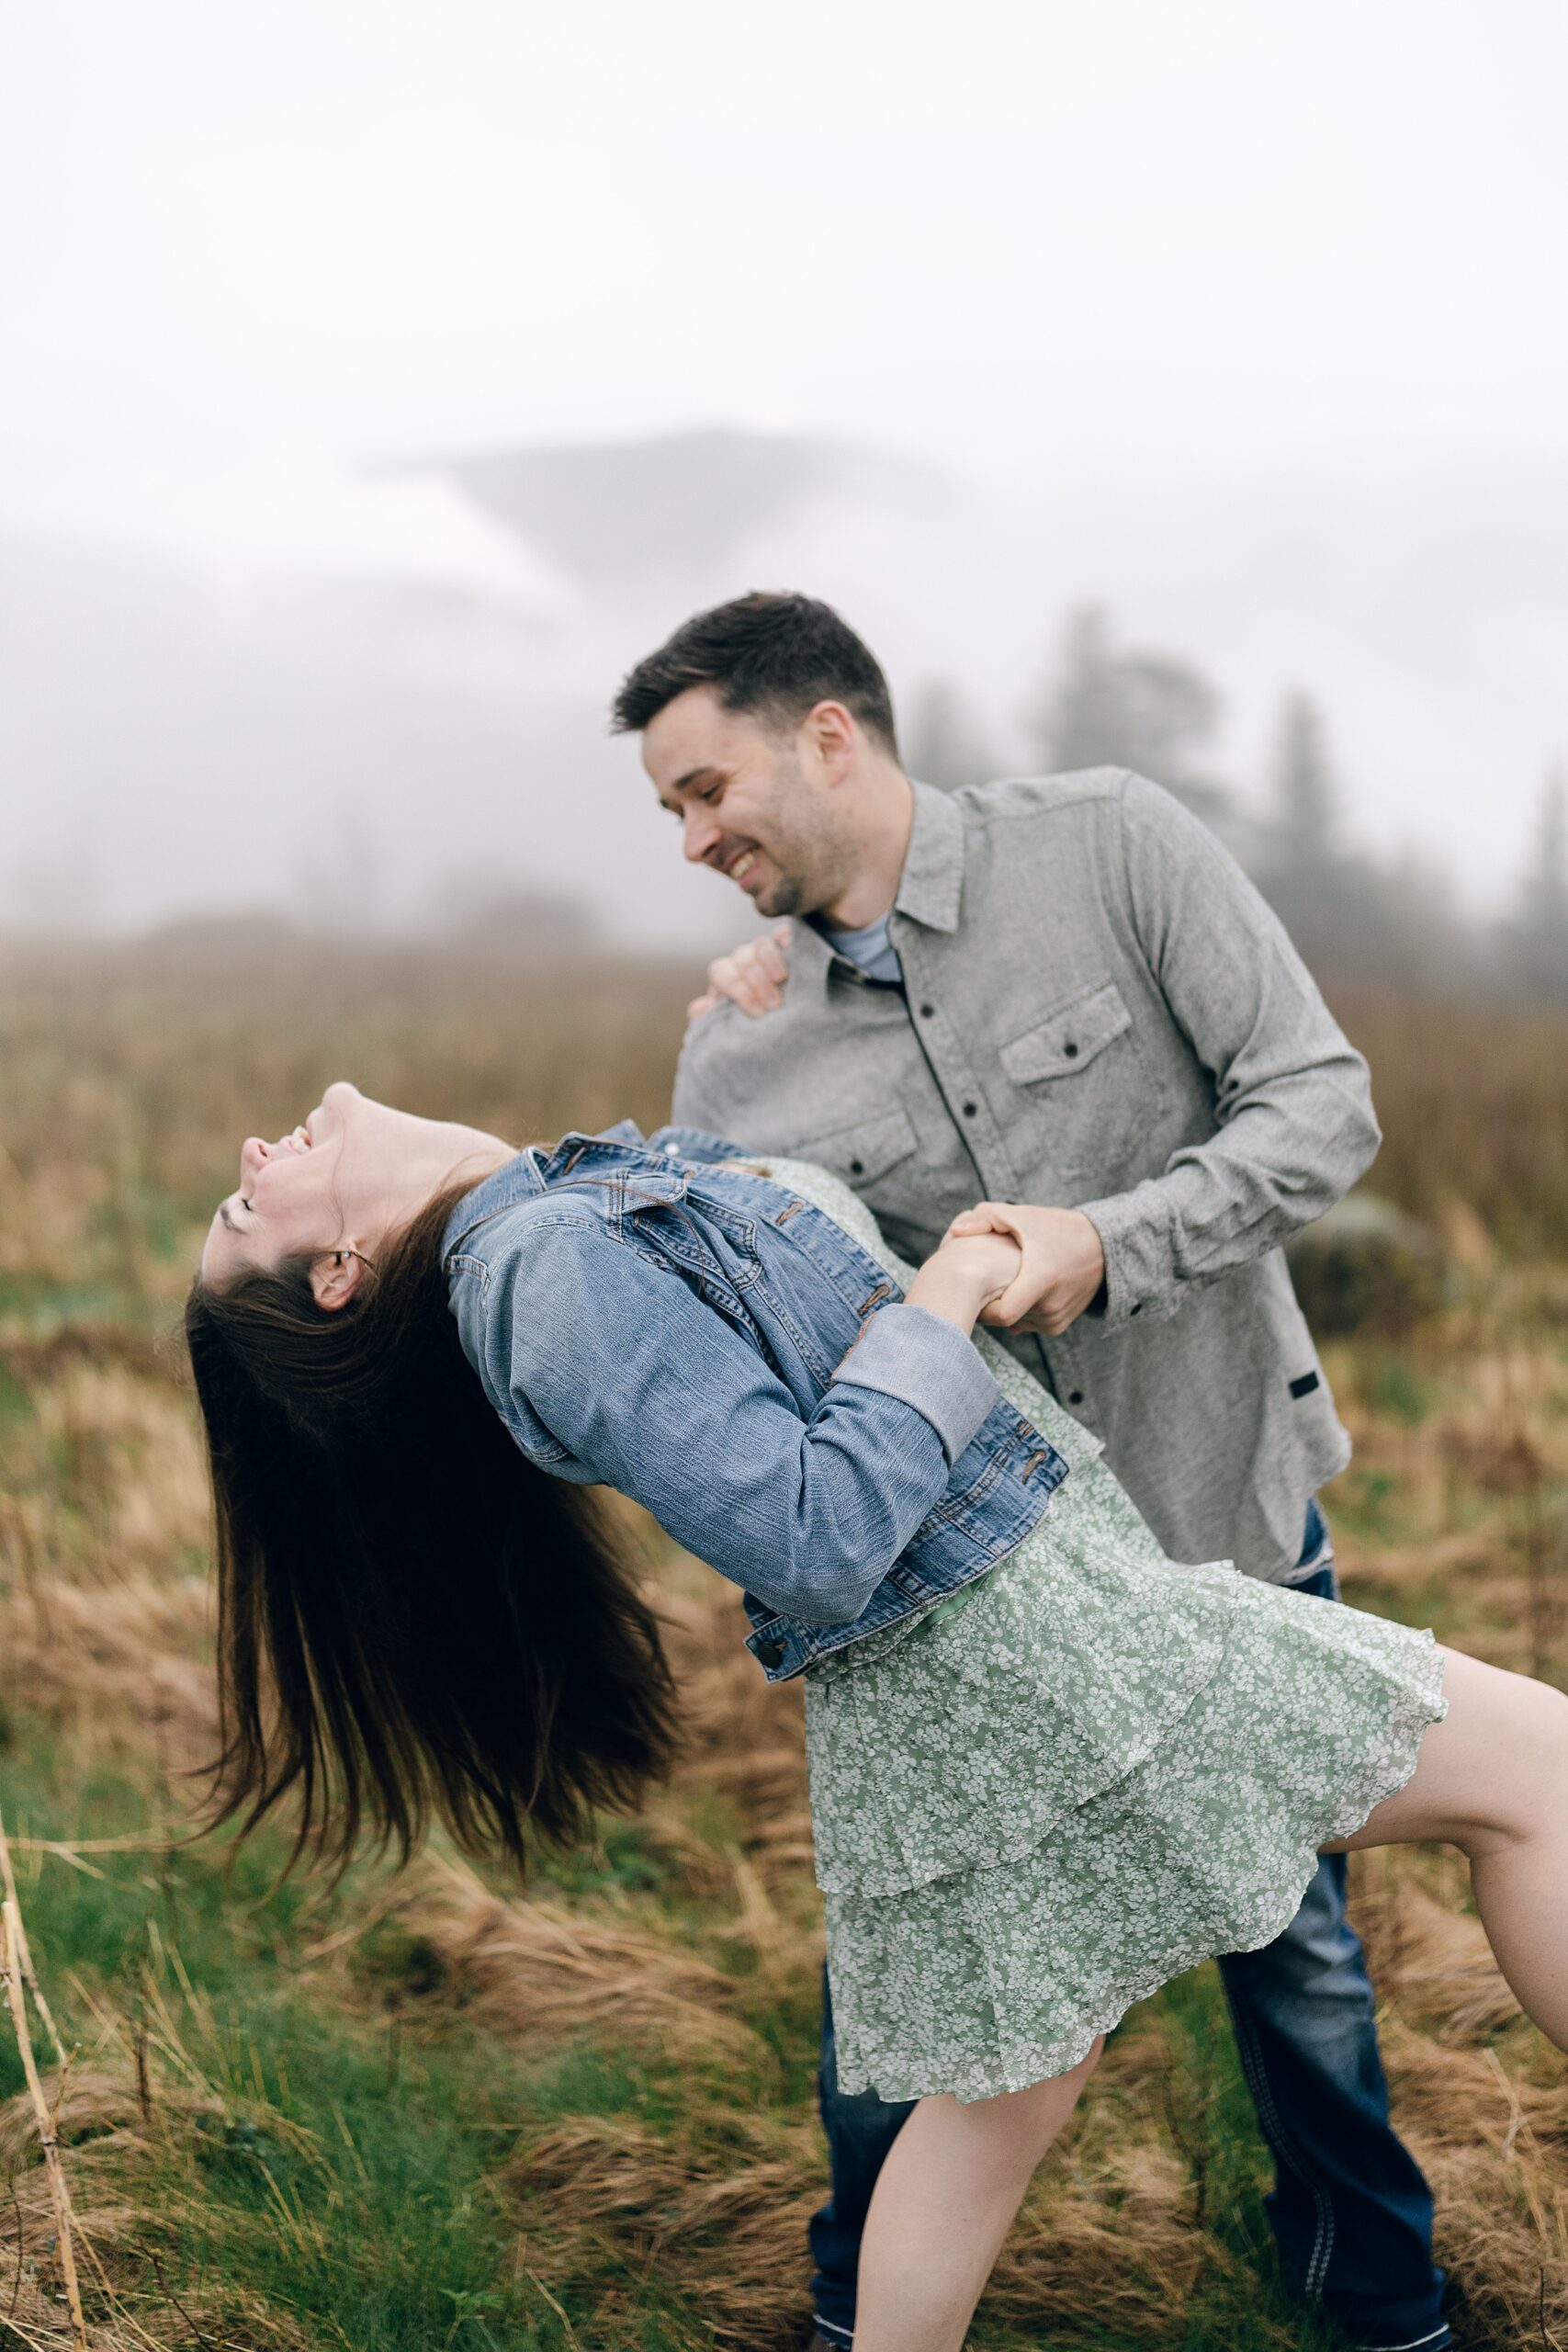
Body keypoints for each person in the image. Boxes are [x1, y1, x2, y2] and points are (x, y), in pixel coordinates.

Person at [186, 1084, 1568, 2352]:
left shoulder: (566, 1203)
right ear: (337, 1275)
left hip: (1029, 1632)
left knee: (1003, 2102)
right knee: (1536, 1772)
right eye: (250, 1206)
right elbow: (812, 1529)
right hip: (1026, 1656)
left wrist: (756, 997)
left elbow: (794, 1236)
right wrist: (950, 1293)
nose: (254, 1153)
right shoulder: (540, 1272)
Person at [612, 591, 1450, 2351]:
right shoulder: (733, 1048)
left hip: (1222, 1504)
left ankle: (1379, 2299)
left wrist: (1110, 1237)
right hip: (988, 1607)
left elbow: (1321, 1103)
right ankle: (858, 2314)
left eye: (707, 792)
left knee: (1292, 1946)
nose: (692, 843)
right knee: (901, 1993)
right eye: (672, 815)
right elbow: (754, 1350)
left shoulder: (1116, 845)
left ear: (828, 730)